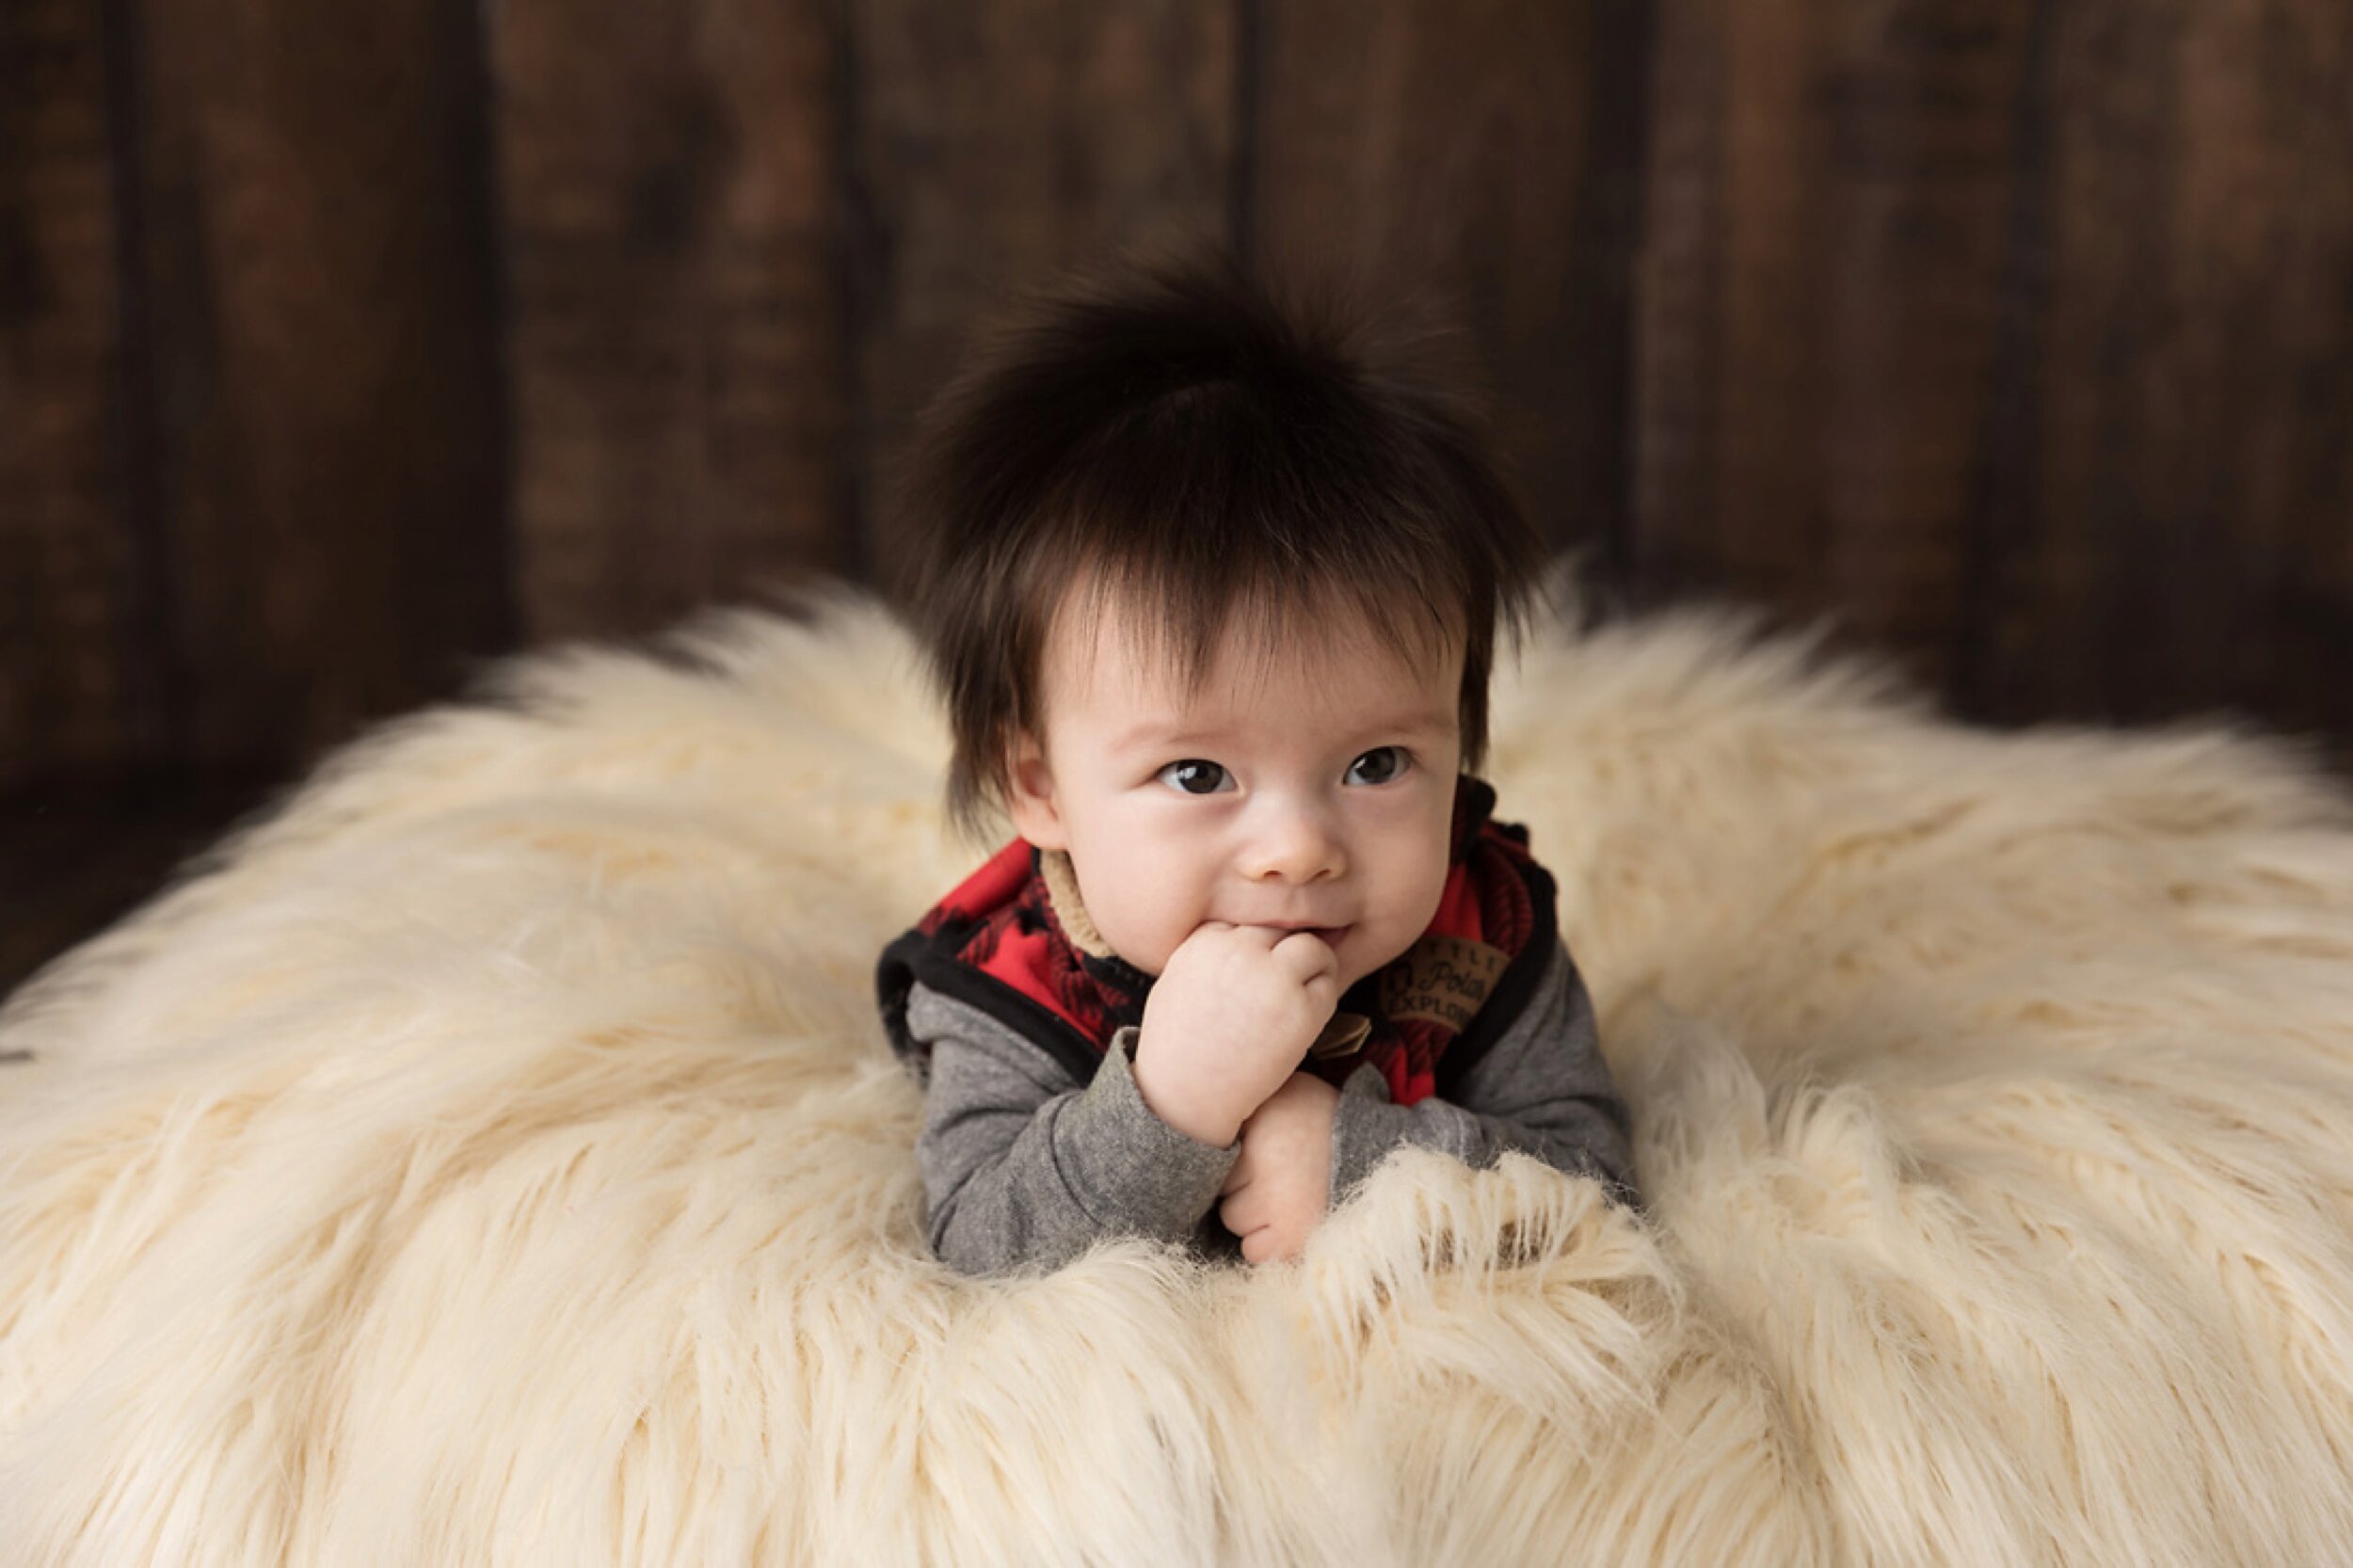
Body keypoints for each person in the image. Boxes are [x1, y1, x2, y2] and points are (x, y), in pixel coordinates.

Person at [874, 247, 1637, 1277]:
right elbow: (978, 1251)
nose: (1296, 851)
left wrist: (1357, 1163)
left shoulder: (1484, 933)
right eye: (1197, 774)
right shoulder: (1015, 986)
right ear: (1041, 787)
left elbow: (1600, 1194)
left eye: (1375, 763)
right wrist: (1169, 1105)